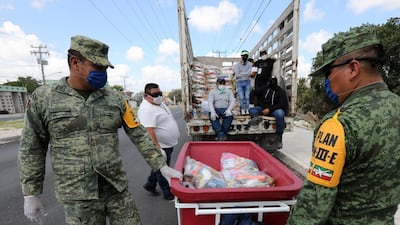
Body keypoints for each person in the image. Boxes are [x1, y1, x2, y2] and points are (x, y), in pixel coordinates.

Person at [18, 35, 183, 225]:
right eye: (97, 67)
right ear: (75, 62)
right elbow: (32, 148)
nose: (103, 73)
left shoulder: (115, 99)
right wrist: (31, 193)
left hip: (116, 188)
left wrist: (161, 165)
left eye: (106, 68)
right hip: (78, 196)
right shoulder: (44, 98)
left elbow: (137, 133)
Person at [286, 27, 400, 225]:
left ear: (353, 69)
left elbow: (313, 208)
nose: (327, 81)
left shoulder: (338, 124)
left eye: (329, 72)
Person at [137, 83, 180, 201]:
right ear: (146, 95)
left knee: (159, 166)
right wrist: (157, 148)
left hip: (168, 143)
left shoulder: (158, 104)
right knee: (163, 168)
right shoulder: (146, 109)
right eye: (155, 94)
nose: (159, 96)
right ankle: (167, 192)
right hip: (161, 145)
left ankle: (150, 184)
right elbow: (149, 130)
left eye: (160, 93)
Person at [248, 76, 288, 148]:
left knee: (280, 114)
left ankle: (279, 137)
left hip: (274, 110)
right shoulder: (264, 88)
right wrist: (251, 103)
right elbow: (253, 92)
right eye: (270, 81)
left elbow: (282, 104)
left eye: (273, 82)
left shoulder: (280, 91)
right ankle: (256, 118)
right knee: (252, 110)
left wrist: (270, 109)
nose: (272, 83)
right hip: (263, 109)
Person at [208, 77, 235, 141]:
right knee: (213, 117)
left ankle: (221, 135)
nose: (221, 85)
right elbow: (210, 102)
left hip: (225, 109)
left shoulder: (229, 91)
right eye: (220, 83)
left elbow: (232, 101)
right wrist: (212, 111)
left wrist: (229, 109)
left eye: (223, 83)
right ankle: (221, 134)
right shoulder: (212, 92)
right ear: (216, 83)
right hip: (216, 109)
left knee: (229, 116)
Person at [233, 50, 253, 114]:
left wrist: (242, 74)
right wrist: (246, 74)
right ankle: (242, 110)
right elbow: (237, 74)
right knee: (241, 97)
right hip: (239, 82)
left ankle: (247, 109)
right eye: (243, 55)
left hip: (247, 81)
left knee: (247, 97)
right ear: (241, 56)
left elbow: (250, 73)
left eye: (246, 56)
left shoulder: (250, 64)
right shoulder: (237, 65)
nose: (245, 57)